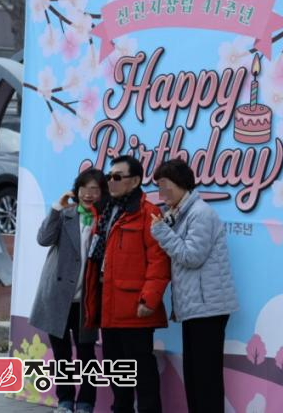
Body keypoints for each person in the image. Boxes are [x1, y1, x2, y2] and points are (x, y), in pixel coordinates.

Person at [149, 159, 238, 413]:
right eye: (158, 186)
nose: (162, 192)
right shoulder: (180, 214)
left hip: (208, 309)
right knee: (194, 375)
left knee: (206, 377)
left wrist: (162, 232)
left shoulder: (201, 213)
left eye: (165, 185)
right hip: (195, 308)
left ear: (181, 184)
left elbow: (192, 256)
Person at [84, 155, 170, 413]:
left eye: (117, 177)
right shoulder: (106, 210)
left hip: (135, 307)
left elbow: (159, 262)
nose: (111, 181)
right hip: (108, 302)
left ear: (134, 181)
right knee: (115, 367)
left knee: (141, 369)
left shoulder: (148, 213)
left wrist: (149, 300)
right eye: (109, 176)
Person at [30, 168, 108, 413]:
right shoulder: (65, 215)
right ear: (76, 190)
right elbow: (43, 239)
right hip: (58, 297)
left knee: (86, 354)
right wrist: (56, 208)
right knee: (61, 354)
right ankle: (65, 401)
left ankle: (86, 403)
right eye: (84, 188)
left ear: (102, 193)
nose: (88, 194)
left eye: (95, 189)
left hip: (87, 300)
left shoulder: (105, 220)